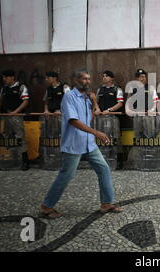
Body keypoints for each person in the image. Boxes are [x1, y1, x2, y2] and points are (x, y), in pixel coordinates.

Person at [39, 69, 122, 219]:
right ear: (76, 81)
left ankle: (106, 203)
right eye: (84, 79)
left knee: (104, 169)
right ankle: (46, 206)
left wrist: (94, 102)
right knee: (66, 175)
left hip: (88, 144)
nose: (87, 82)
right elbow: (73, 121)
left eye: (89, 79)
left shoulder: (87, 97)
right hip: (73, 144)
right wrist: (97, 133)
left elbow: (89, 117)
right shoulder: (69, 97)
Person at [0, 70, 30, 170]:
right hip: (5, 116)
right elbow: (0, 101)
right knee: (7, 137)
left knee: (20, 137)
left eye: (6, 77)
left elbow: (25, 101)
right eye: (3, 77)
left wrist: (15, 112)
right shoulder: (4, 89)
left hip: (16, 116)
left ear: (12, 77)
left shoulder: (21, 87)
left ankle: (25, 161)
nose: (4, 79)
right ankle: (12, 159)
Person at [94, 70, 124, 169]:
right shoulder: (100, 90)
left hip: (113, 117)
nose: (104, 78)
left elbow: (120, 103)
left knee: (114, 139)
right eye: (103, 76)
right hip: (101, 118)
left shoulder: (117, 89)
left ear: (112, 78)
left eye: (106, 76)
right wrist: (97, 109)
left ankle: (118, 161)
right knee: (102, 139)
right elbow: (95, 101)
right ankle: (102, 161)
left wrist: (109, 110)